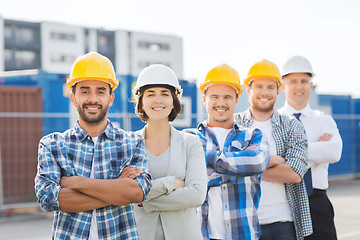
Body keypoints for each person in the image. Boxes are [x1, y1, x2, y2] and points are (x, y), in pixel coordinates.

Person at [34, 52, 152, 239]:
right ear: (73, 98)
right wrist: (116, 189)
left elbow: (136, 193)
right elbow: (49, 199)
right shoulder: (52, 145)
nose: (93, 99)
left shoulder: (132, 143)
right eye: (85, 91)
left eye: (100, 91)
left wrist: (75, 182)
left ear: (110, 98)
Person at [185, 64, 270, 240]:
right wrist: (239, 170)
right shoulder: (189, 137)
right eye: (214, 96)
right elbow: (185, 181)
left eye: (227, 97)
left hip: (244, 235)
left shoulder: (253, 135)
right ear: (204, 99)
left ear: (237, 100)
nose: (221, 103)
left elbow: (258, 162)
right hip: (200, 236)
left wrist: (205, 162)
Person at [234, 59, 312, 240]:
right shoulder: (234, 125)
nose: (264, 92)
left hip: (282, 222)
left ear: (278, 90)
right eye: (259, 86)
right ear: (248, 89)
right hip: (241, 222)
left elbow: (294, 173)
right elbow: (224, 166)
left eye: (270, 87)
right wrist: (275, 160)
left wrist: (246, 164)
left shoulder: (292, 126)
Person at [127, 64, 207, 240]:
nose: (158, 100)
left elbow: (196, 195)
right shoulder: (128, 145)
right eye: (150, 94)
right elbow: (125, 193)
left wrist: (144, 201)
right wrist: (170, 183)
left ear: (174, 101)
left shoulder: (190, 143)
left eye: (164, 93)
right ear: (141, 101)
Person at [279, 55, 343, 240]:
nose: (299, 87)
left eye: (304, 81)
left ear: (311, 85)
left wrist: (289, 153)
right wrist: (316, 148)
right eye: (293, 81)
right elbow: (269, 157)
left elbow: (334, 152)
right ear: (283, 87)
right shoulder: (274, 121)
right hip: (283, 204)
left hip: (317, 205)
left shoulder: (323, 120)